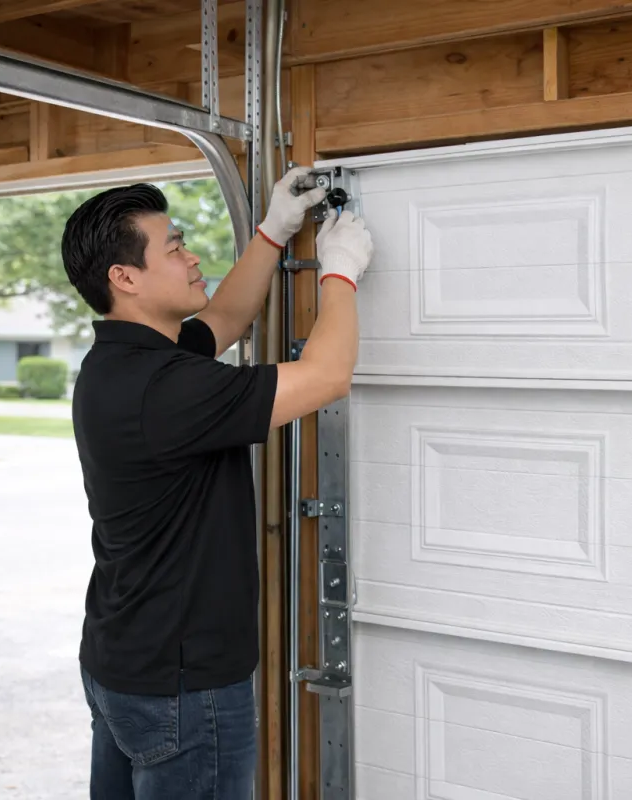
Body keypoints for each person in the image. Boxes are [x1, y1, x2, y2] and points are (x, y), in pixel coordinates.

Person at [59, 166, 374, 799]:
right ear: (125, 278)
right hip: (184, 686)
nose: (192, 254)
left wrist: (273, 232)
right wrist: (338, 274)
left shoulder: (122, 363)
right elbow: (325, 377)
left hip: (124, 665)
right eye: (173, 247)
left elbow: (224, 320)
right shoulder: (166, 388)